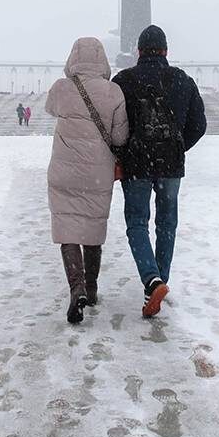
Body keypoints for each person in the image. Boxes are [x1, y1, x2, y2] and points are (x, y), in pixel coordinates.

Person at [112, 25, 206, 318]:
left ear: (138, 51)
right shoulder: (182, 80)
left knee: (137, 222)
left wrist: (123, 153)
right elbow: (199, 125)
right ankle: (158, 281)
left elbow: (115, 126)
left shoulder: (124, 80)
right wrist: (177, 146)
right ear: (165, 51)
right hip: (170, 166)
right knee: (167, 224)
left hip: (137, 163)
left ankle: (152, 281)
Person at [45, 37, 129, 324]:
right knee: (93, 228)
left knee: (68, 229)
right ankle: (91, 289)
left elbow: (49, 108)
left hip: (64, 171)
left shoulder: (60, 89)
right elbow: (119, 137)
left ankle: (76, 287)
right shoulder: (114, 92)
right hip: (97, 173)